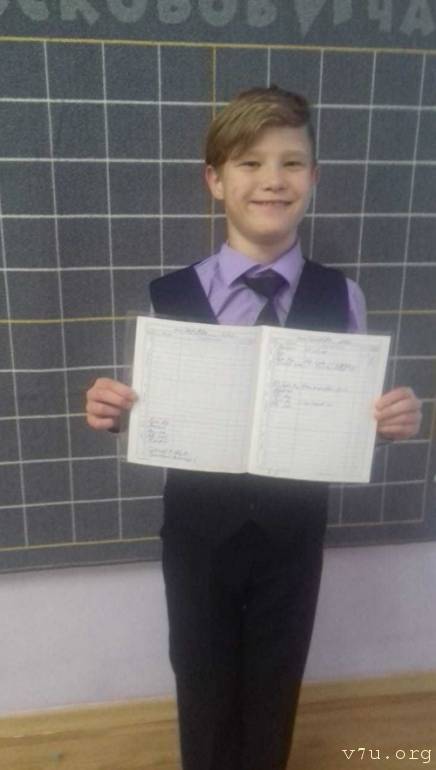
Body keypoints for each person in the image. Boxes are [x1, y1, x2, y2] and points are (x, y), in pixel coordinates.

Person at [85, 86, 422, 770]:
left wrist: (388, 419)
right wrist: (114, 410)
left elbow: (349, 411)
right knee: (201, 682)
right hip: (197, 536)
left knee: (276, 687)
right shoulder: (167, 296)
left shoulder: (343, 296)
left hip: (293, 537)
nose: (272, 180)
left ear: (313, 178)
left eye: (291, 163)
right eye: (249, 163)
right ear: (215, 180)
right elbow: (150, 409)